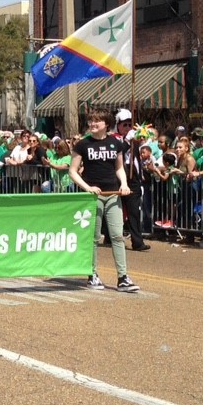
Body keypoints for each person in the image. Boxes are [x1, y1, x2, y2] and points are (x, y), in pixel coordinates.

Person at [69, 109, 139, 292]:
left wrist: (123, 183)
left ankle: (123, 277)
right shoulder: (82, 145)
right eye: (91, 121)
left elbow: (119, 167)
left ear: (106, 124)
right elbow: (73, 171)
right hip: (92, 196)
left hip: (113, 194)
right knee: (93, 237)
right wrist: (87, 187)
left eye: (97, 121)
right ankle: (92, 274)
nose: (93, 124)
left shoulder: (115, 143)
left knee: (117, 235)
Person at [115, 109, 150, 251]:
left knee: (134, 212)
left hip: (133, 180)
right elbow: (118, 152)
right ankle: (112, 237)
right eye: (125, 125)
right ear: (118, 125)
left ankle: (137, 242)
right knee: (116, 212)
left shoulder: (133, 141)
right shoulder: (114, 139)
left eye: (130, 125)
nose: (128, 128)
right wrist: (127, 141)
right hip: (119, 180)